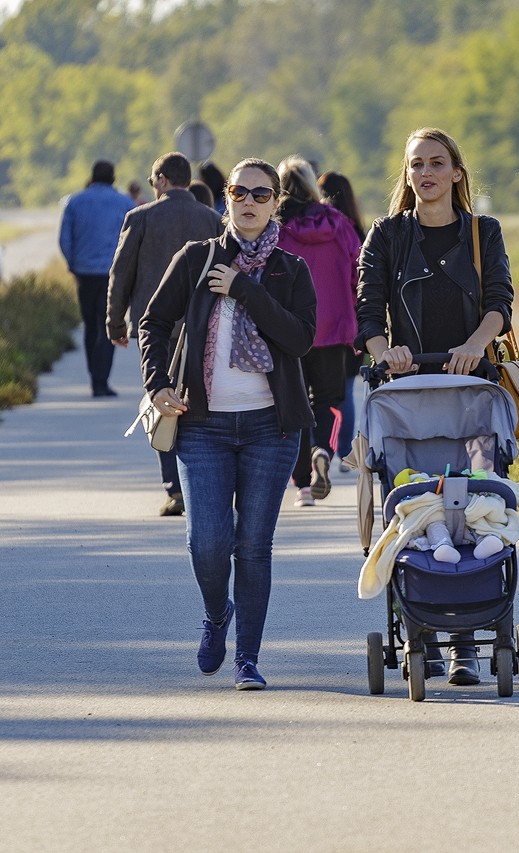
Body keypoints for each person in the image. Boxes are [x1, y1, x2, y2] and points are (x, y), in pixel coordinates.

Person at [138, 158, 317, 690]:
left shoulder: (291, 270)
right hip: (203, 426)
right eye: (240, 192)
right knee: (208, 542)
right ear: (225, 197)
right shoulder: (196, 258)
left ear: (276, 202)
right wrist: (157, 384)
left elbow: (300, 339)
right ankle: (217, 614)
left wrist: (244, 288)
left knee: (253, 547)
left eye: (262, 195)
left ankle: (248, 660)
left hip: (271, 428)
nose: (249, 202)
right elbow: (154, 321)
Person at [355, 127, 514, 687]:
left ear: (456, 173)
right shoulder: (387, 236)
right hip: (409, 394)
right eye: (416, 164)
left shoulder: (481, 232)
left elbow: (500, 303)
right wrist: (385, 351)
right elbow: (368, 314)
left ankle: (467, 642)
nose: (425, 173)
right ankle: (421, 628)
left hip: (472, 391)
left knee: (472, 502)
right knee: (416, 503)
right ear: (407, 175)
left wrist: (476, 344)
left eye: (436, 163)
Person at [108, 152, 224, 517]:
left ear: (160, 179)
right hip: (200, 324)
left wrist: (115, 323)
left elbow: (120, 273)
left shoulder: (140, 218)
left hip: (152, 326)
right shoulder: (213, 219)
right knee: (199, 403)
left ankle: (174, 489)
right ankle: (201, 484)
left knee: (161, 401)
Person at [275, 156, 362, 507]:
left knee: (292, 405)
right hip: (334, 329)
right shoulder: (339, 223)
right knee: (329, 401)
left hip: (289, 329)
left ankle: (303, 486)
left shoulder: (275, 226)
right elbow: (359, 272)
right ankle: (323, 450)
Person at [59, 159, 135, 397]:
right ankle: (102, 379)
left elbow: (64, 238)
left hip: (85, 273)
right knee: (110, 325)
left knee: (91, 326)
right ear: (113, 178)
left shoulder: (75, 202)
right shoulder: (125, 203)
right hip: (113, 274)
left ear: (91, 177)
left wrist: (73, 263)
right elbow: (133, 240)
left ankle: (95, 376)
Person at [317, 170, 368, 470]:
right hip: (349, 322)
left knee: (316, 393)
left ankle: (319, 449)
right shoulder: (356, 231)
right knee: (346, 391)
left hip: (315, 323)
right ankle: (345, 454)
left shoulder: (307, 225)